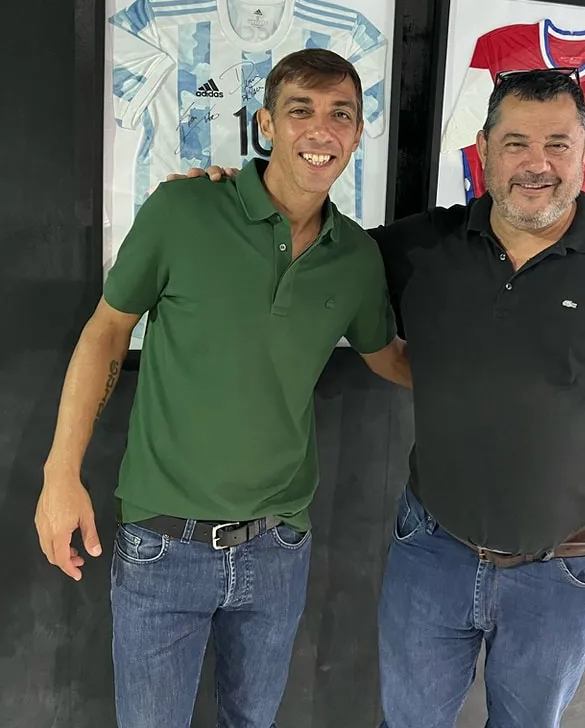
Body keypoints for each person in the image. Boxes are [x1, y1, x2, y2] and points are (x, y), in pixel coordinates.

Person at [190, 68, 585, 728]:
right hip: (432, 553)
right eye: (516, 143)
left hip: (561, 569)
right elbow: (310, 244)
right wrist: (228, 196)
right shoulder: (421, 247)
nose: (537, 164)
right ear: (484, 147)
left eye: (557, 143)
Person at [34, 48, 411, 728]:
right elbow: (106, 332)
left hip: (277, 549)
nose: (321, 130)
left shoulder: (355, 257)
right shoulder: (184, 208)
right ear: (266, 124)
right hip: (162, 544)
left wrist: (495, 373)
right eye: (300, 110)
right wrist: (60, 474)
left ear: (358, 133)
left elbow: (389, 359)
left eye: (341, 115)